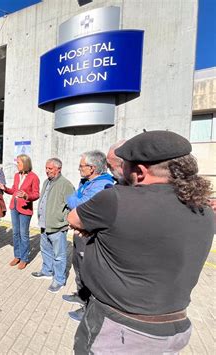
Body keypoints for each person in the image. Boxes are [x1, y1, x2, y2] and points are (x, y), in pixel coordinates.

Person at [67, 130, 214, 354]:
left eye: (122, 164)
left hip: (121, 330)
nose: (116, 169)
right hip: (174, 327)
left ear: (140, 171)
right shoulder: (203, 207)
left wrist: (92, 231)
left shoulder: (115, 199)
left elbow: (73, 218)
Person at [62, 150, 114, 322]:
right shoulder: (86, 182)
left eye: (81, 166)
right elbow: (76, 199)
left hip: (89, 235)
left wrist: (74, 200)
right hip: (79, 233)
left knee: (88, 272)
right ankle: (81, 296)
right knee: (78, 267)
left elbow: (78, 203)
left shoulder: (103, 185)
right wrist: (75, 199)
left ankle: (88, 309)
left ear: (92, 168)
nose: (79, 169)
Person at [31, 158, 75, 293]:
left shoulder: (65, 184)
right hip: (44, 225)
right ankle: (47, 271)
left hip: (57, 227)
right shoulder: (46, 182)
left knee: (59, 255)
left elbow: (73, 205)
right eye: (46, 168)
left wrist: (66, 221)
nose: (47, 171)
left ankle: (59, 279)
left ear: (58, 169)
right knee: (45, 250)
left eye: (50, 168)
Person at [0, 154, 40, 270]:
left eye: (19, 163)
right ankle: (17, 255)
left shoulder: (34, 177)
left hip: (25, 209)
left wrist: (27, 196)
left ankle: (24, 258)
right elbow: (14, 190)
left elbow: (36, 194)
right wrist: (5, 188)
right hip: (14, 207)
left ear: (25, 164)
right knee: (15, 233)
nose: (17, 165)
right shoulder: (17, 176)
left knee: (24, 234)